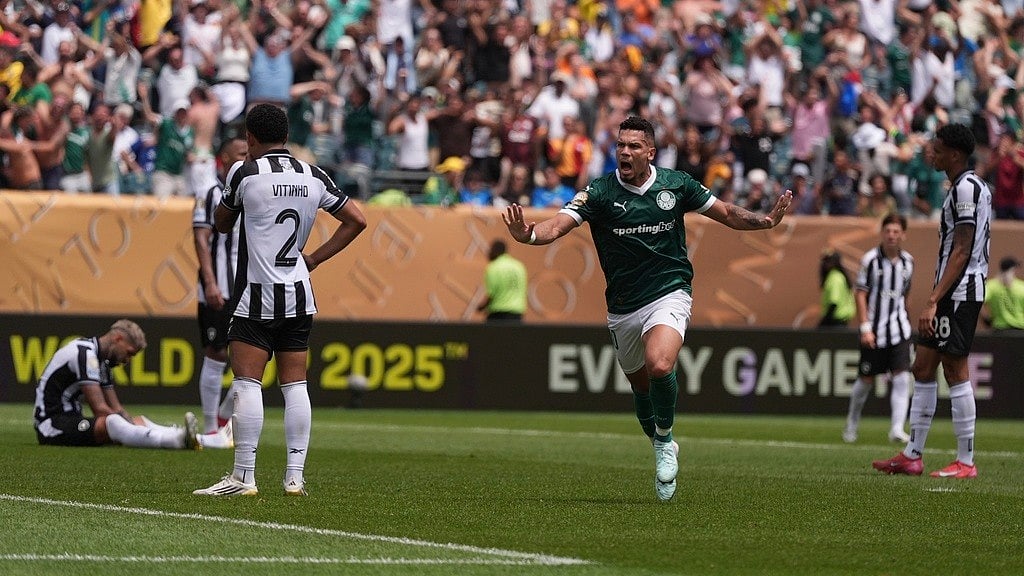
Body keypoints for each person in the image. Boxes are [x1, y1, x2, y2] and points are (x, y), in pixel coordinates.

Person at [502, 116, 793, 501]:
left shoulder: (677, 184)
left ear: (650, 152)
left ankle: (665, 439)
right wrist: (528, 234)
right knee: (641, 391)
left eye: (634, 146)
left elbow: (724, 212)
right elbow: (558, 225)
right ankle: (658, 439)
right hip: (623, 305)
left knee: (659, 365)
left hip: (670, 290)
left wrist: (765, 221)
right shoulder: (600, 192)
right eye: (621, 145)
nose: (625, 152)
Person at [193, 104, 367, 497]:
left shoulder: (245, 172)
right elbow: (357, 220)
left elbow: (221, 223)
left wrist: (238, 191)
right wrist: (314, 259)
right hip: (299, 293)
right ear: (286, 136)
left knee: (247, 382)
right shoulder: (313, 174)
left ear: (250, 138)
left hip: (256, 293)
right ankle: (294, 477)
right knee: (295, 384)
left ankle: (244, 476)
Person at [873, 123, 992, 479]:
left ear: (954, 154)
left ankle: (966, 461)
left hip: (960, 292)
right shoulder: (962, 187)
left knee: (954, 369)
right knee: (923, 367)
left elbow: (962, 249)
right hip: (950, 291)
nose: (931, 154)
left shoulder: (967, 188)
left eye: (937, 149)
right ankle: (912, 455)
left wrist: (933, 299)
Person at [33, 319, 200, 450]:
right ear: (118, 338)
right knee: (112, 422)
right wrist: (130, 425)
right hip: (52, 425)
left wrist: (133, 423)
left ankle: (193, 437)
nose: (127, 360)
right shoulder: (85, 354)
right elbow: (100, 409)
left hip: (73, 420)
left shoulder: (101, 362)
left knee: (136, 420)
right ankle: (176, 440)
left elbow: (117, 408)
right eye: (129, 353)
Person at [191, 137, 249, 450]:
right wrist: (210, 283)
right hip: (219, 287)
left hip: (247, 286)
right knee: (217, 353)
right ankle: (211, 427)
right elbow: (201, 239)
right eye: (241, 153)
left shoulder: (251, 187)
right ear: (224, 158)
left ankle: (225, 414)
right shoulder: (209, 192)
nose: (248, 157)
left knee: (253, 355)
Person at [842, 214, 914, 444]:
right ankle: (852, 422)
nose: (891, 236)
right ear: (882, 233)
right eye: (888, 231)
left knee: (902, 378)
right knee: (865, 380)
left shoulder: (908, 262)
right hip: (874, 330)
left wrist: (907, 320)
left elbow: (905, 295)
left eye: (896, 231)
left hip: (900, 330)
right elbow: (860, 294)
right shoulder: (870, 260)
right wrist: (865, 327)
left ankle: (897, 428)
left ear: (903, 235)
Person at [477, 239, 528, 323]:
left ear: (495, 250)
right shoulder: (519, 266)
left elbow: (492, 294)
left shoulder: (493, 267)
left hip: (498, 313)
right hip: (517, 312)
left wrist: (481, 307)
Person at [983, 256, 1024, 330]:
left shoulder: (991, 286)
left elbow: (980, 302)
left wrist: (986, 319)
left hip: (999, 329)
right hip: (1020, 329)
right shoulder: (1021, 286)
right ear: (1013, 269)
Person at [818, 250, 855, 328]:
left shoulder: (834, 278)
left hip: (835, 322)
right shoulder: (840, 275)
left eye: (827, 261)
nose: (824, 264)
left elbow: (834, 302)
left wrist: (823, 322)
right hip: (842, 320)